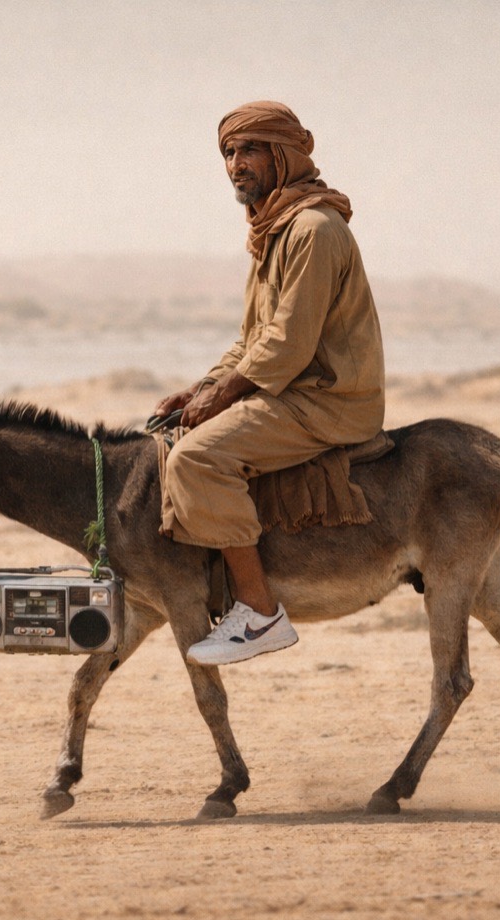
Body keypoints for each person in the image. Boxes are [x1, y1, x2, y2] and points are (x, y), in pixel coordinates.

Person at [154, 101, 386, 666]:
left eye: (250, 149)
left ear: (284, 155)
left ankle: (259, 612)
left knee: (196, 460)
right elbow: (251, 338)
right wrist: (200, 388)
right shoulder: (272, 231)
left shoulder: (313, 228)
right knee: (167, 435)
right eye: (229, 153)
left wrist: (224, 396)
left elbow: (286, 345)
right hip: (290, 388)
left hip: (327, 399)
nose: (237, 164)